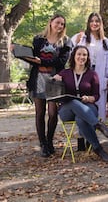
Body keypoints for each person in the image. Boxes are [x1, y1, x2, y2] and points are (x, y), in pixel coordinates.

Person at [54, 45, 108, 162]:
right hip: (67, 110)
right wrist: (55, 80)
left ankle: (98, 149)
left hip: (88, 107)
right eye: (79, 54)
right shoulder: (64, 73)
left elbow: (96, 96)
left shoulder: (92, 74)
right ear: (74, 56)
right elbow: (54, 92)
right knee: (73, 101)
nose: (82, 57)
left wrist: (89, 98)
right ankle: (97, 124)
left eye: (84, 55)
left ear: (88, 57)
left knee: (80, 119)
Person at [25, 14, 72, 157]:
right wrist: (19, 51)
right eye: (57, 23)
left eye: (62, 24)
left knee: (52, 113)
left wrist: (41, 62)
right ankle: (43, 144)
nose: (60, 26)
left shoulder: (66, 42)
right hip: (38, 79)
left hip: (54, 80)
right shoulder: (39, 39)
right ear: (51, 22)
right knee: (39, 113)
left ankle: (50, 141)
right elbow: (33, 58)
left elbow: (61, 63)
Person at [71, 12, 108, 120]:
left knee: (99, 102)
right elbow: (72, 53)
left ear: (100, 24)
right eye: (92, 21)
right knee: (84, 101)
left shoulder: (106, 41)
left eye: (97, 21)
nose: (94, 23)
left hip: (100, 75)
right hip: (83, 74)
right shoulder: (81, 38)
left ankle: (97, 126)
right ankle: (83, 131)